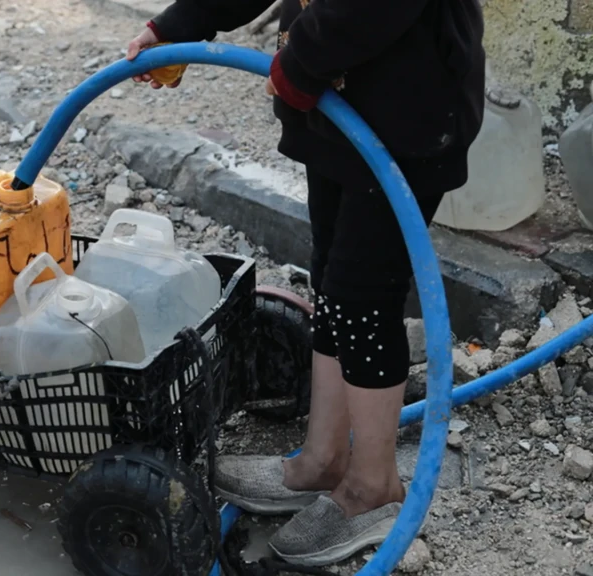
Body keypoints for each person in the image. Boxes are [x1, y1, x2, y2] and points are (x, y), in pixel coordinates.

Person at [127, 0, 485, 567]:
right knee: (333, 283)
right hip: (336, 106)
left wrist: (300, 62)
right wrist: (177, 25)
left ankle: (373, 488)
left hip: (405, 114)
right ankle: (322, 460)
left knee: (363, 297)